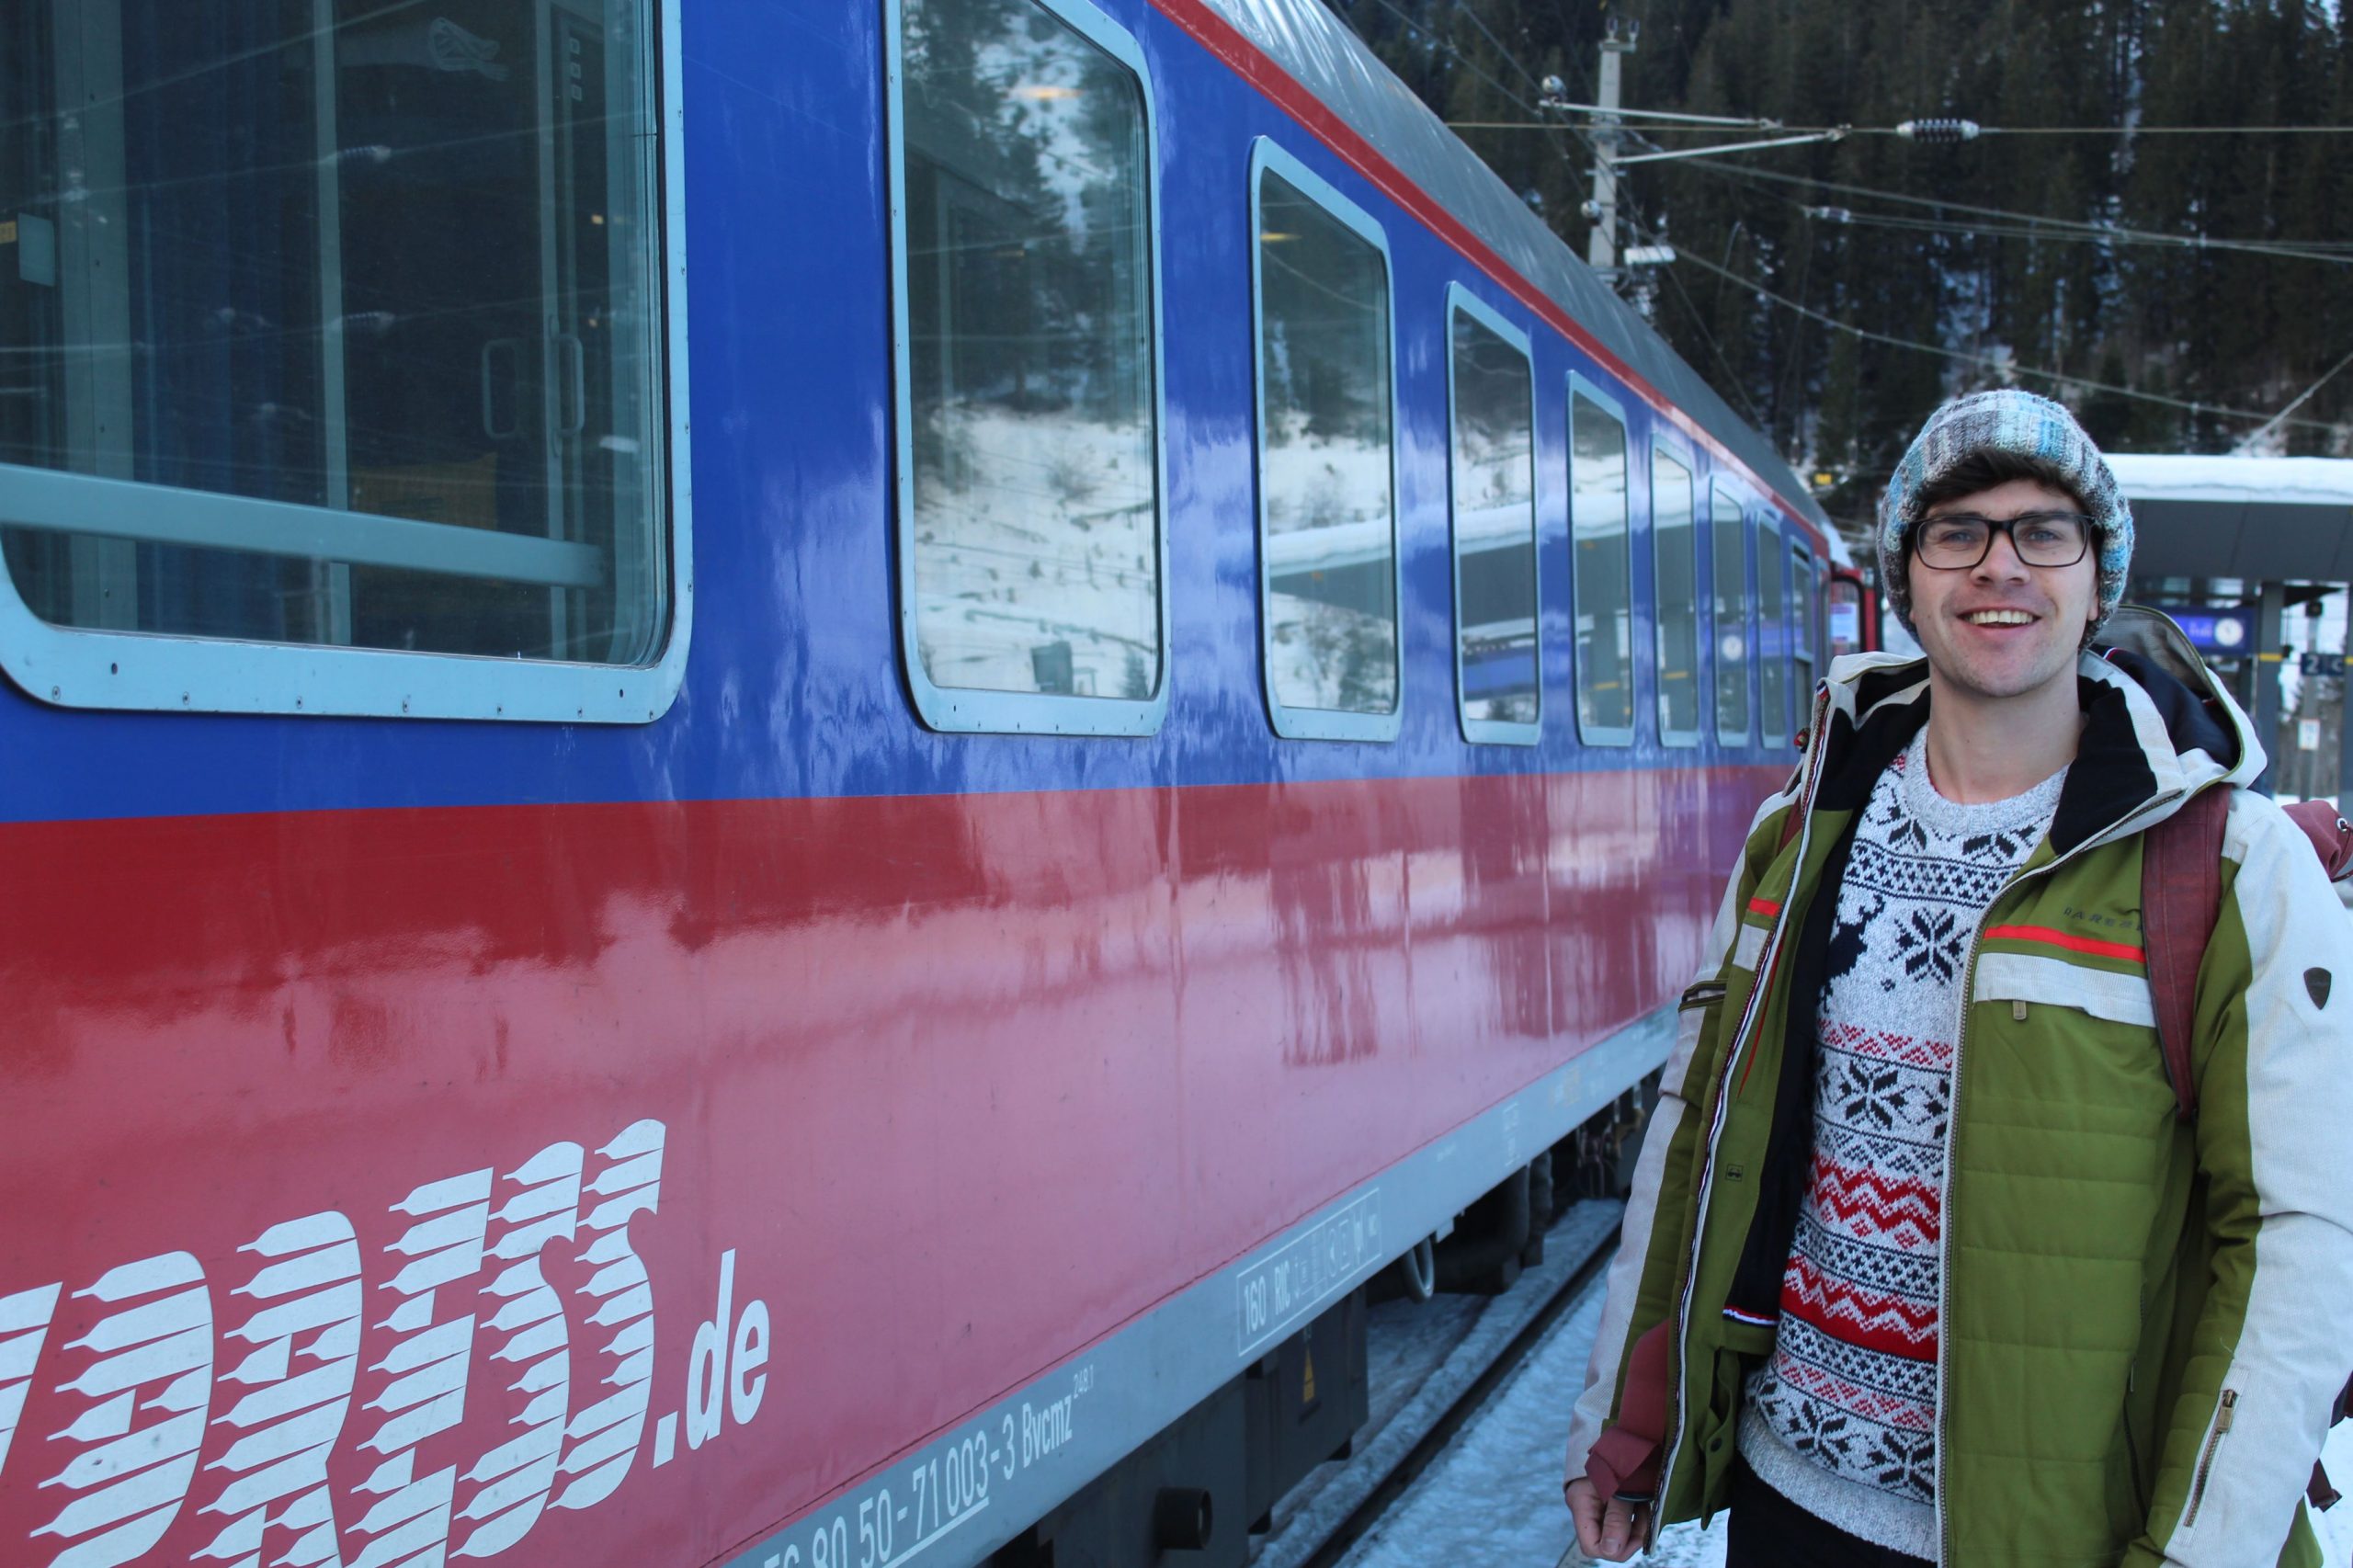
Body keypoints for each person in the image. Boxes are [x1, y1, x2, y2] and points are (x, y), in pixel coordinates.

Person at [1560, 390, 2353, 1567]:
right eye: (1958, 530)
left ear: (2095, 577)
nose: (2000, 565)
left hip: (2071, 1535)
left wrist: (2204, 1549)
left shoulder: (2228, 863)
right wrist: (1625, 1424)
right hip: (1795, 1512)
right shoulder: (1801, 833)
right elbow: (1695, 1134)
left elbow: (2296, 1234)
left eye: (2045, 531)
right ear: (1906, 571)